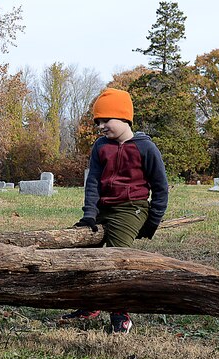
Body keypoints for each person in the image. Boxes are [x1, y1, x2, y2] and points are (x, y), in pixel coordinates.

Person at [60, 88, 169, 334]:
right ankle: (90, 304)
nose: (101, 127)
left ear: (123, 118)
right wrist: (89, 214)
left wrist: (152, 222)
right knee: (82, 254)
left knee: (117, 257)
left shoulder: (146, 148)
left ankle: (121, 312)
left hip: (132, 208)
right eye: (98, 122)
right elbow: (93, 183)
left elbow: (161, 188)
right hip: (102, 208)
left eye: (106, 120)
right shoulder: (101, 147)